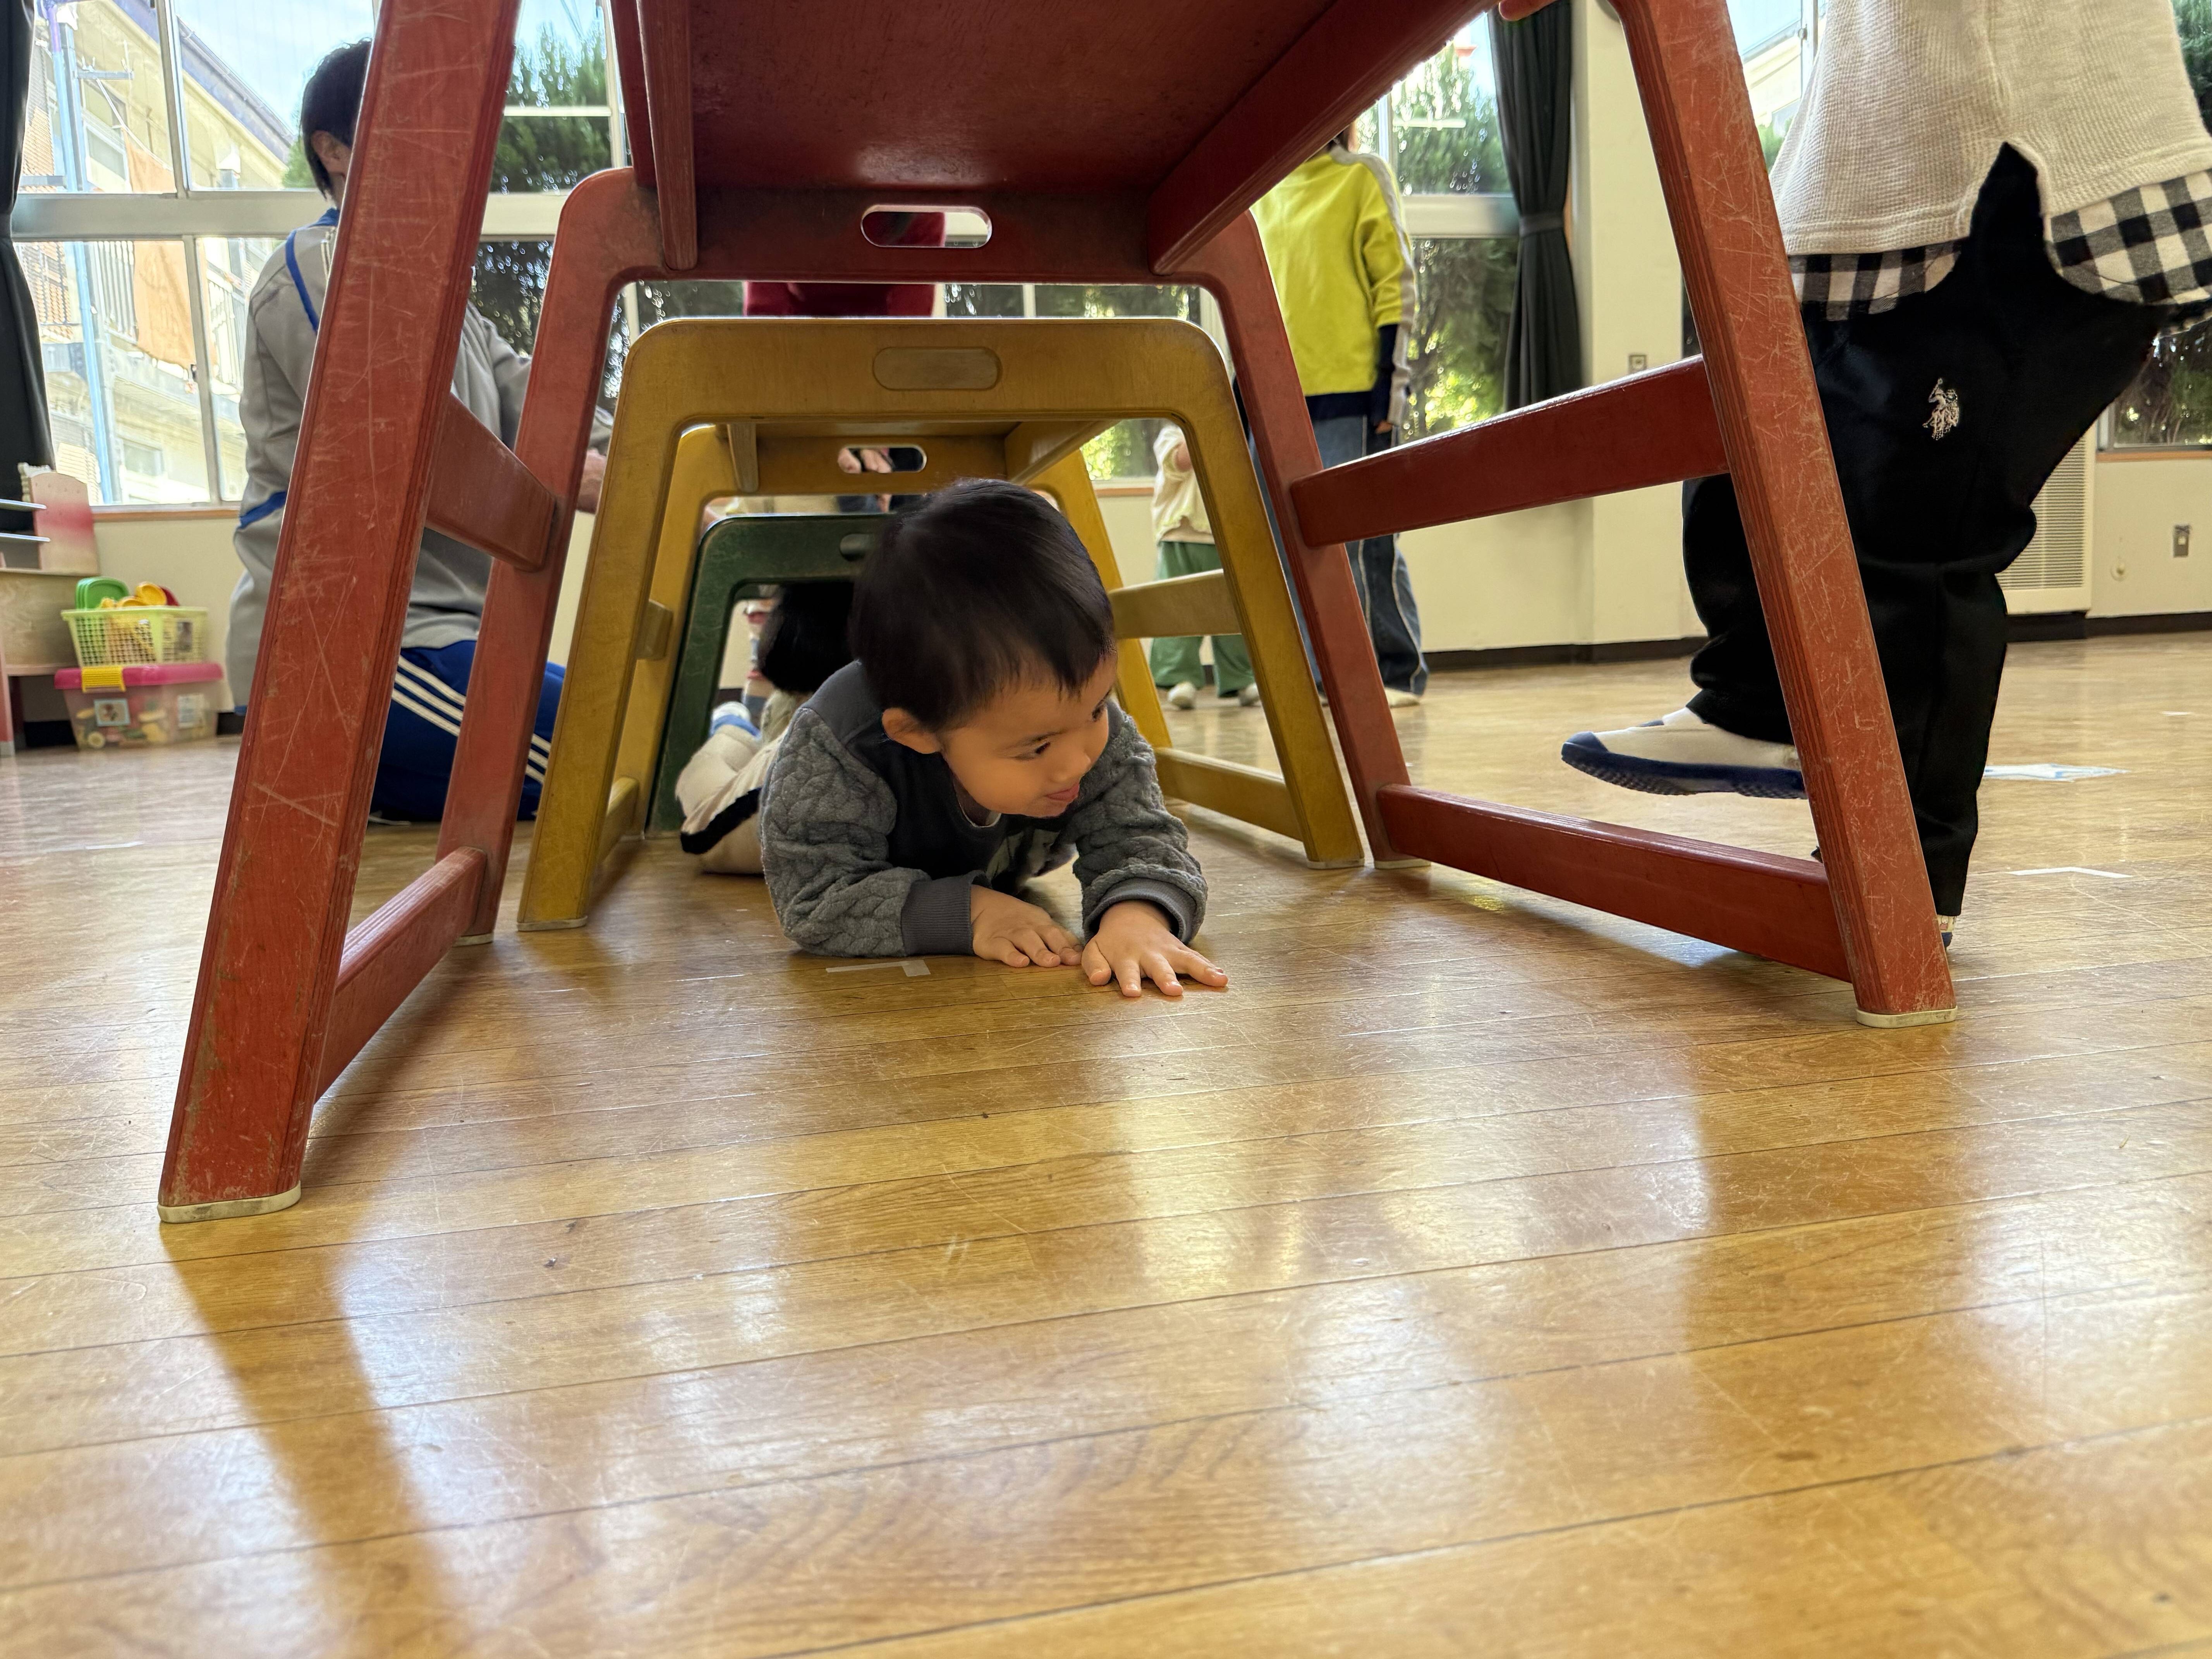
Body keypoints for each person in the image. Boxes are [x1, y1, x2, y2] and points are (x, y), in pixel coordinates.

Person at [1560, 0, 2212, 943]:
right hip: (1857, 185)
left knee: (1922, 533)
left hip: (2029, 169)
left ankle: (1906, 881)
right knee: (1739, 435)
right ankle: (1756, 705)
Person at [224, 40, 607, 821]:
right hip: (345, 652)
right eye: (416, 129)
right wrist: (573, 474)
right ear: (333, 152)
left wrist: (661, 456)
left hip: (439, 643)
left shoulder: (456, 308)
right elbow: (394, 435)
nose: (448, 153)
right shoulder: (324, 265)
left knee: (627, 720)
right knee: (611, 757)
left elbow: (562, 415)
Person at [757, 480, 1223, 998]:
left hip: (966, 848)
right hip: (794, 792)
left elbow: (1141, 838)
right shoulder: (837, 755)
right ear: (919, 733)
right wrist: (972, 912)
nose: (1077, 761)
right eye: (1037, 746)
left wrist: (1137, 915)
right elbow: (815, 896)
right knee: (736, 828)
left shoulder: (1079, 726)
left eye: (1096, 706)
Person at [1254, 129, 1426, 706]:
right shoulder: (1260, 198)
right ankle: (1326, 677)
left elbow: (1395, 288)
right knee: (1295, 551)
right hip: (1276, 399)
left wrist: (1388, 391)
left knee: (1364, 541)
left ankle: (1394, 672)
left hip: (1354, 397)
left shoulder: (1360, 176)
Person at [1147, 421, 1257, 710]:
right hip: (1181, 534)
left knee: (1233, 610)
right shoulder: (1172, 435)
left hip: (1227, 534)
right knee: (1178, 607)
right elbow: (1181, 461)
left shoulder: (1239, 435)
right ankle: (1179, 677)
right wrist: (1204, 422)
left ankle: (1241, 677)